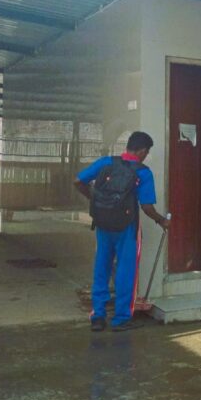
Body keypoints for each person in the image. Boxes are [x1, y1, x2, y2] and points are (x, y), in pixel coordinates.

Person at [74, 131, 169, 332]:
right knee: (126, 271)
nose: (146, 156)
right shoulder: (143, 172)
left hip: (102, 224)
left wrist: (95, 200)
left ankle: (98, 317)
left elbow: (78, 181)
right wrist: (161, 221)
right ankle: (121, 319)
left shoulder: (105, 163)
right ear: (142, 151)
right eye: (147, 152)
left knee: (102, 268)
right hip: (127, 227)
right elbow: (147, 207)